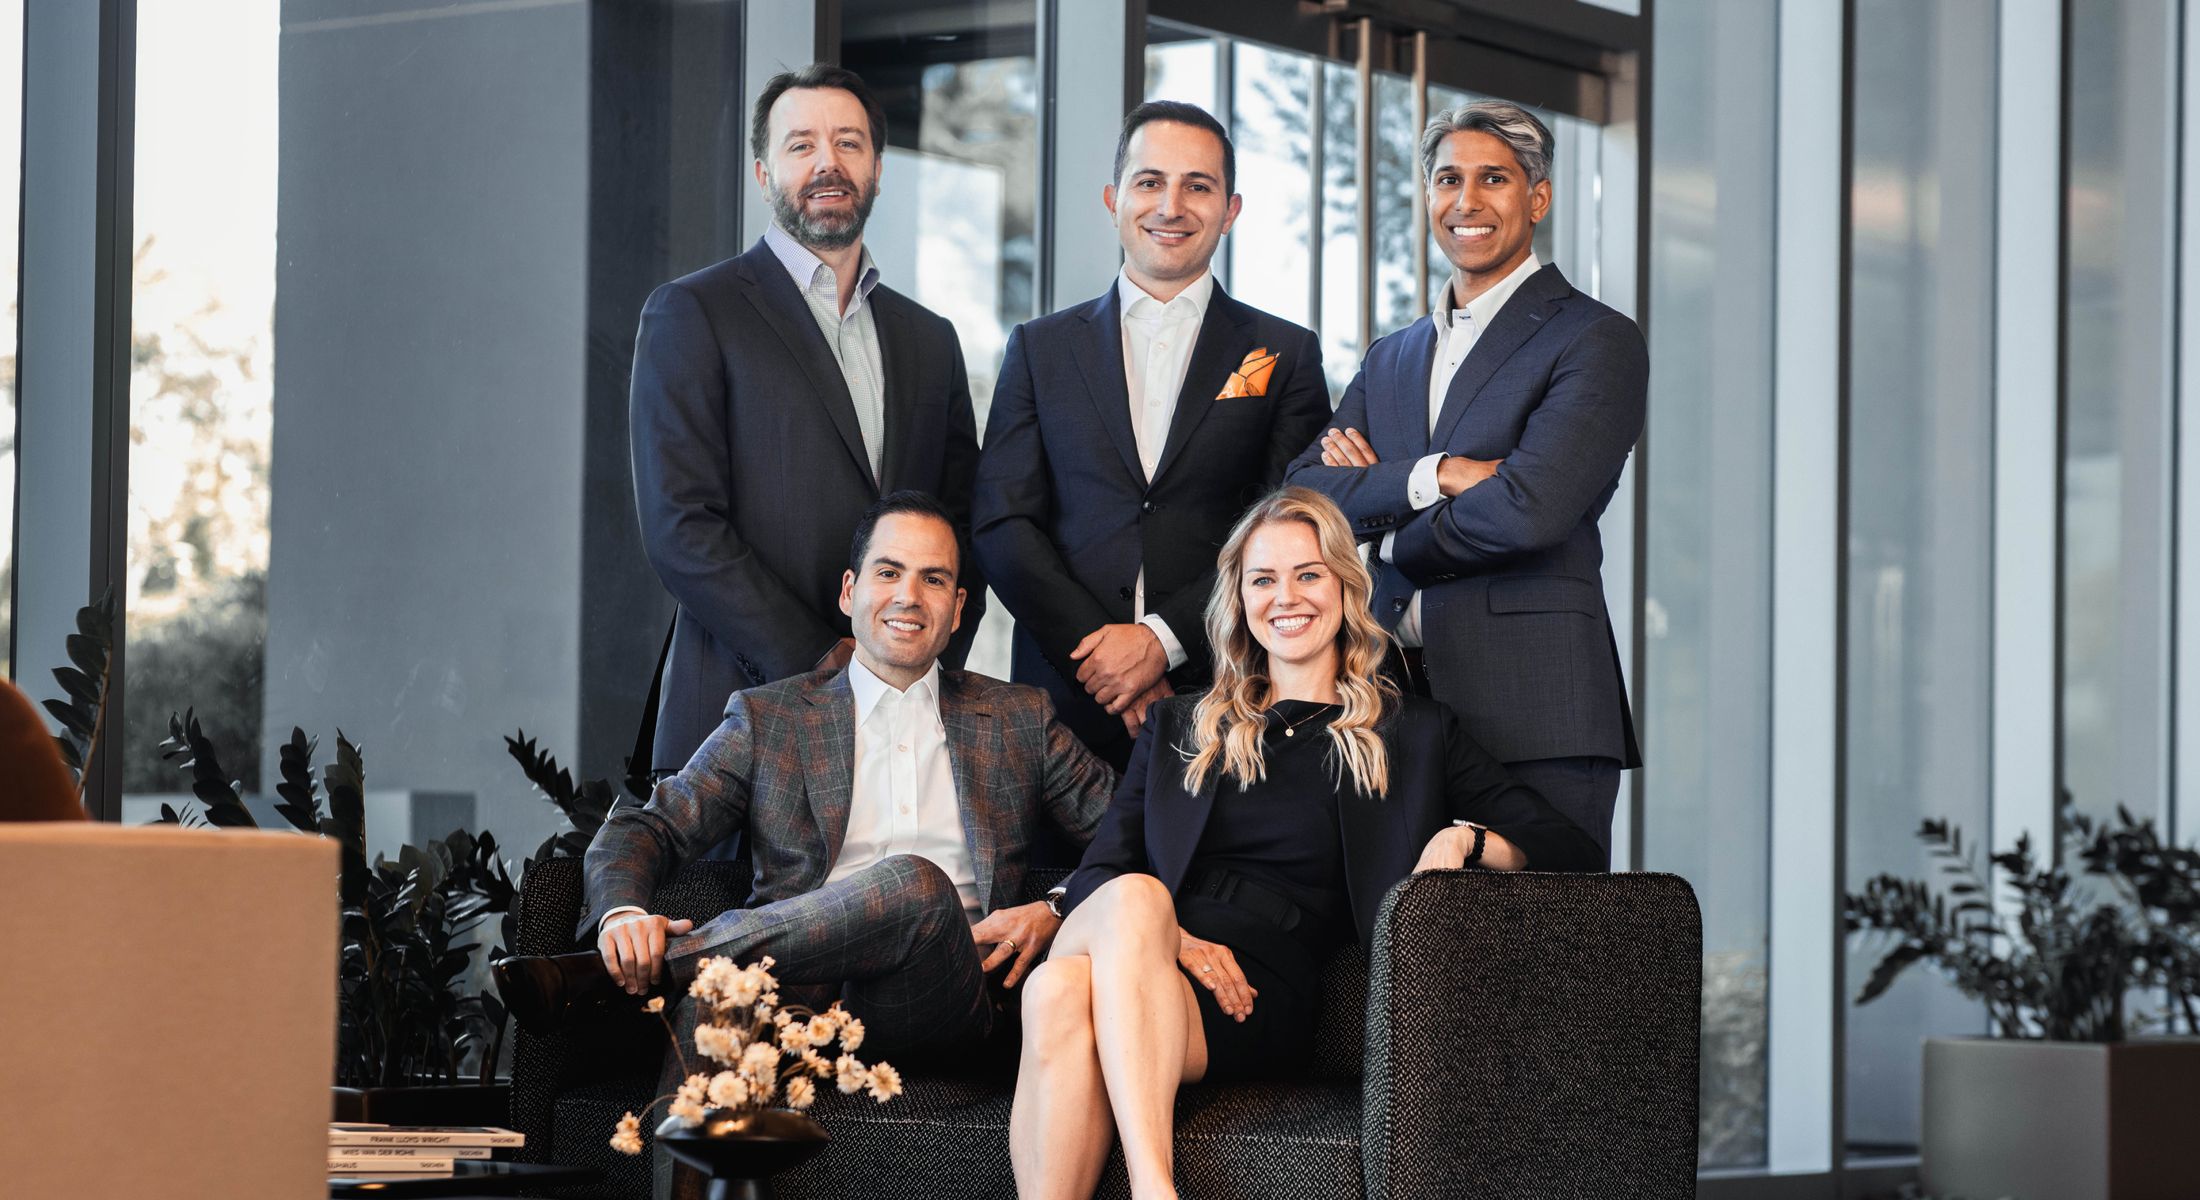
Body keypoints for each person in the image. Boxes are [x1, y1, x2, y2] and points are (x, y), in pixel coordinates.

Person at [1009, 488, 1601, 1200]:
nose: (1285, 597)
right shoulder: (1178, 726)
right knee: (1075, 964)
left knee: (1063, 982)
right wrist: (1169, 937)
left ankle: (1151, 1187)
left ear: (1346, 589)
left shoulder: (1413, 733)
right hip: (1153, 945)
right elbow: (1104, 867)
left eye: (1308, 574)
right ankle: (1153, 1187)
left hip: (1255, 992)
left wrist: (1468, 838)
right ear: (1240, 599)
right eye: (1263, 579)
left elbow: (1571, 844)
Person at [494, 493, 1114, 1064]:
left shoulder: (1017, 719)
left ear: (957, 610)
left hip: (947, 996)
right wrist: (622, 915)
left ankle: (664, 967)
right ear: (850, 591)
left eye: (934, 579)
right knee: (721, 1000)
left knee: (917, 885)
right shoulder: (771, 719)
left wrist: (1059, 907)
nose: (908, 596)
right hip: (794, 989)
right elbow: (649, 825)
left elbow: (1132, 830)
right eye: (888, 572)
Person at [1285, 100, 1646, 863]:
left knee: (1539, 959)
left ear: (1537, 198)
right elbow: (1305, 503)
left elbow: (1528, 512)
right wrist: (1434, 476)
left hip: (1535, 705)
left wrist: (1380, 543)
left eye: (1494, 179)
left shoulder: (1595, 339)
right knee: (1401, 964)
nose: (1466, 202)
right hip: (1387, 704)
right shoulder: (1393, 355)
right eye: (1448, 179)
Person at [629, 63, 984, 786]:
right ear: (764, 173)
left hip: (903, 727)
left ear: (879, 170)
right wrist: (830, 666)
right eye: (801, 145)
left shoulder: (929, 339)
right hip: (740, 718)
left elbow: (963, 525)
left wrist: (919, 663)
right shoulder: (695, 313)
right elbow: (680, 526)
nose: (828, 162)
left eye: (849, 143)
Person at [974, 100, 1330, 773]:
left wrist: (1161, 643)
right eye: (1149, 182)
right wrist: (1102, 654)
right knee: (1054, 882)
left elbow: (1285, 527)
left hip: (1224, 697)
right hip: (1060, 701)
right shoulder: (1039, 348)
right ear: (1114, 200)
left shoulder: (1285, 353)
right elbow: (1002, 523)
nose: (1171, 205)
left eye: (1198, 186)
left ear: (1231, 210)